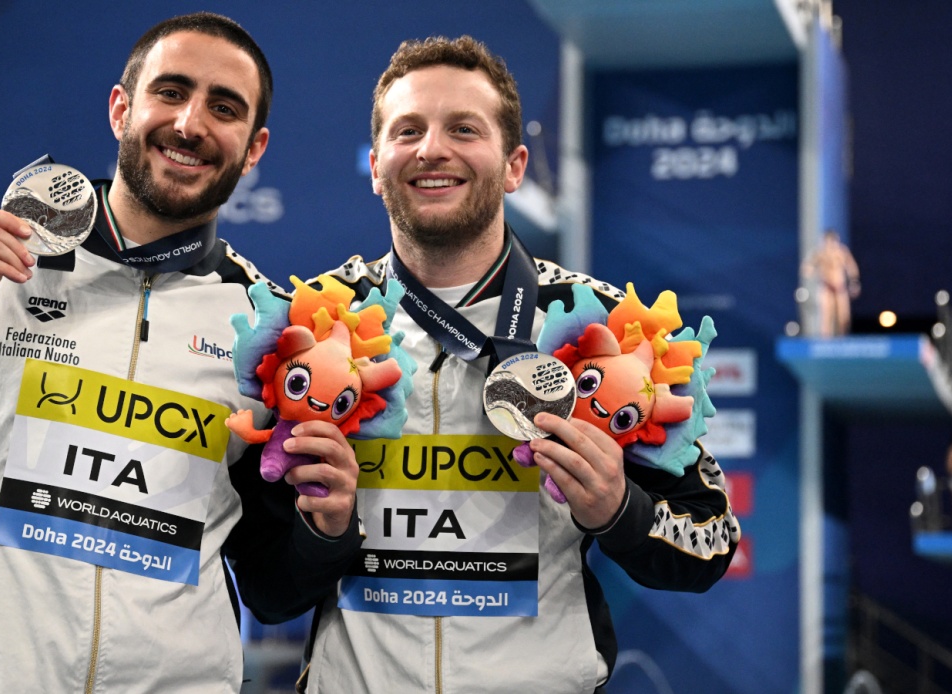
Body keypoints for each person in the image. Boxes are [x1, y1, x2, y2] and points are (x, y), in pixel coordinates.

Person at [0, 13, 362, 693]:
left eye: (223, 108)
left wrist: (324, 532)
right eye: (170, 91)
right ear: (120, 109)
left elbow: (272, 591)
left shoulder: (268, 329)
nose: (189, 123)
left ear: (253, 148)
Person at [298, 36, 740, 694]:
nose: (431, 150)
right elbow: (264, 569)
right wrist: (316, 530)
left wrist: (621, 509)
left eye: (463, 129)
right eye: (407, 130)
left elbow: (712, 539)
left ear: (514, 165)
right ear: (375, 164)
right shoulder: (313, 322)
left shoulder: (607, 330)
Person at [801, 228, 861, 337]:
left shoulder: (842, 252)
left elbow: (852, 267)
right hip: (826, 288)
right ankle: (825, 342)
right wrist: (811, 270)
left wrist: (854, 282)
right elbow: (806, 268)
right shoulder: (819, 254)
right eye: (828, 242)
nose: (831, 245)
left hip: (840, 288)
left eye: (833, 241)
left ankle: (842, 339)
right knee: (827, 316)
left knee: (844, 317)